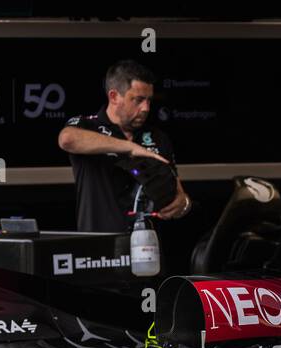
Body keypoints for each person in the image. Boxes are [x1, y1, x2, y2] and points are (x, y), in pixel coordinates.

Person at [58, 60, 190, 232]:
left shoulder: (158, 137)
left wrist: (183, 203)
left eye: (149, 100)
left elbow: (178, 192)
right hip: (99, 250)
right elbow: (67, 139)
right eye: (138, 100)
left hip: (146, 249)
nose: (145, 108)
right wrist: (130, 147)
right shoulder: (87, 125)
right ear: (114, 96)